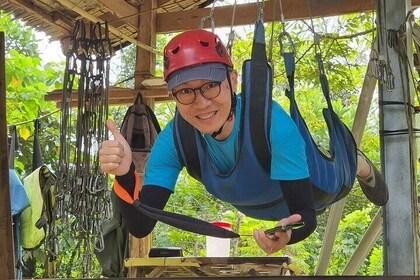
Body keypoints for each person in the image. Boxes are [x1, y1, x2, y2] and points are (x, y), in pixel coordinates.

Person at [99, 29, 388, 254]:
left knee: (341, 173)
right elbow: (140, 225)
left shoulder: (272, 125)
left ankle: (360, 164)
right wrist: (124, 174)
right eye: (185, 92)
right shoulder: (175, 139)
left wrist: (292, 233)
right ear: (172, 96)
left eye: (210, 86)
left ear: (233, 81)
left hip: (317, 187)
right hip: (256, 205)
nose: (201, 103)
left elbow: (306, 215)